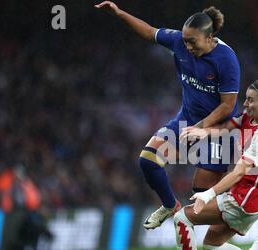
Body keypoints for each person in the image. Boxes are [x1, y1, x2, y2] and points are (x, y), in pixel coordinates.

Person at [95, 2, 241, 229]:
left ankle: (233, 222)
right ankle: (170, 205)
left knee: (202, 198)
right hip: (186, 121)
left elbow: (227, 106)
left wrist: (201, 128)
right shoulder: (180, 42)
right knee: (148, 161)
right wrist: (120, 13)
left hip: (217, 132)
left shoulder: (226, 60)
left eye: (192, 42)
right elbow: (149, 32)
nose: (187, 46)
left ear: (210, 37)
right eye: (185, 41)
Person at [161, 74, 258, 250]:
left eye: (250, 100)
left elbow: (239, 172)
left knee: (182, 219)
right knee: (212, 244)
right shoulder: (256, 116)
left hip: (243, 199)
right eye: (245, 98)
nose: (245, 104)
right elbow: (229, 126)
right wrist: (203, 131)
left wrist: (208, 194)